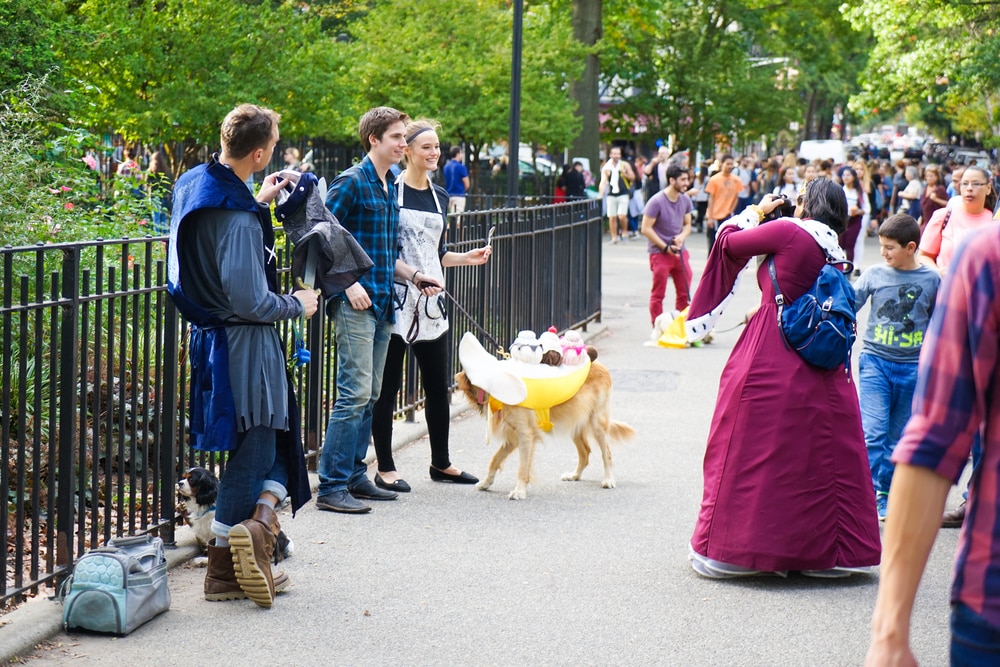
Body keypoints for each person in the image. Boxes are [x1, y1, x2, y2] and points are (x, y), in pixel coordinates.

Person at [685, 179, 881, 578]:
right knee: (821, 457)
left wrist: (755, 212)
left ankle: (731, 549)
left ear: (807, 204)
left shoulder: (790, 231)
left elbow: (728, 243)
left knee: (748, 447)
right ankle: (829, 556)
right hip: (824, 361)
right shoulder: (832, 245)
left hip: (773, 350)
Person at [167, 103, 319, 608]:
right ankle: (225, 569)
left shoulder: (195, 182)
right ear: (258, 152)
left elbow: (210, 247)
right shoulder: (237, 219)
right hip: (243, 343)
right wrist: (298, 302)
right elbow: (250, 299)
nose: (275, 149)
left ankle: (253, 542)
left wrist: (258, 199)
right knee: (257, 447)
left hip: (216, 336)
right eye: (273, 144)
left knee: (273, 443)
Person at [864, 224, 1000, 666]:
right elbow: (935, 441)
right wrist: (888, 633)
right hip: (992, 603)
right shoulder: (988, 259)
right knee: (878, 433)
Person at [370, 118, 492, 492]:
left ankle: (442, 463)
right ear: (407, 150)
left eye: (437, 146)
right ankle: (385, 467)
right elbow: (384, 251)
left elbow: (435, 254)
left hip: (433, 304)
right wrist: (414, 276)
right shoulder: (391, 191)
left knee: (438, 387)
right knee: (387, 387)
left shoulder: (440, 196)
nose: (434, 152)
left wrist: (465, 257)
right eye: (427, 147)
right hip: (398, 301)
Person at [316, 106, 419, 515]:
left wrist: (414, 275)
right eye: (396, 136)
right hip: (354, 302)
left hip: (382, 301)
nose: (403, 144)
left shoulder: (389, 184)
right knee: (353, 393)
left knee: (372, 394)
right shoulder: (352, 182)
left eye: (404, 136)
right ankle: (331, 486)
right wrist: (348, 284)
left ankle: (355, 475)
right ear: (373, 139)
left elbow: (384, 252)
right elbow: (317, 238)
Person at [918, 165, 998, 527]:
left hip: (985, 322)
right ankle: (922, 496)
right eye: (963, 183)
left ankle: (974, 500)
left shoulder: (993, 223)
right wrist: (945, 276)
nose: (967, 189)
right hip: (948, 316)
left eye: (974, 184)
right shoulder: (943, 215)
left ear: (988, 187)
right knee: (940, 406)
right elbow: (924, 255)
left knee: (984, 413)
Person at [853, 214, 940, 521]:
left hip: (913, 369)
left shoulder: (931, 280)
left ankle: (884, 494)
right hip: (875, 363)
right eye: (882, 246)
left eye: (890, 247)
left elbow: (941, 324)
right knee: (872, 434)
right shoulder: (874, 275)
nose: (884, 253)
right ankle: (861, 495)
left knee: (896, 439)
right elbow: (846, 305)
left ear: (911, 247)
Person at [641, 163, 693, 324]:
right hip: (660, 253)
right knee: (658, 294)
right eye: (683, 180)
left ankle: (681, 327)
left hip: (679, 251)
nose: (687, 183)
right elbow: (646, 228)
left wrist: (681, 237)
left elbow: (687, 225)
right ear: (672, 180)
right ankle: (658, 328)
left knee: (684, 293)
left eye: (687, 179)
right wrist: (665, 247)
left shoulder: (685, 200)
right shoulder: (656, 201)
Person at [703, 154, 741, 252]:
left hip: (727, 216)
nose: (729, 166)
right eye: (727, 164)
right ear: (722, 164)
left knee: (724, 245)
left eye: (731, 164)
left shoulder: (736, 180)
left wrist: (731, 211)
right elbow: (711, 198)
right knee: (712, 245)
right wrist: (710, 217)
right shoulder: (714, 179)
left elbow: (736, 197)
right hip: (714, 216)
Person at [599, 146, 636, 244]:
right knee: (612, 217)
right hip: (611, 194)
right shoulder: (606, 167)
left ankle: (624, 232)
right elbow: (603, 181)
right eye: (614, 153)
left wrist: (625, 174)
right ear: (610, 155)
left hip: (623, 193)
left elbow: (633, 177)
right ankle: (614, 237)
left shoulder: (624, 165)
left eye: (618, 154)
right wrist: (600, 194)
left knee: (622, 215)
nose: (616, 156)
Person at [838, 166, 870, 264]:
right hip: (841, 220)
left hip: (854, 220)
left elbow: (867, 209)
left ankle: (849, 267)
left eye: (848, 175)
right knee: (840, 244)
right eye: (844, 175)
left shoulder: (859, 192)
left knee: (850, 245)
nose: (845, 177)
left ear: (853, 177)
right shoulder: (840, 190)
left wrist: (858, 211)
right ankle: (840, 266)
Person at [146, 150, 172, 236]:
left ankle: (156, 237)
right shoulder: (167, 170)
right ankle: (165, 235)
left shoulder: (150, 171)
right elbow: (170, 183)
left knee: (156, 217)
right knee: (163, 217)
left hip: (154, 196)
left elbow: (146, 183)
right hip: (164, 196)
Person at [443, 146, 470, 214]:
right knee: (457, 220)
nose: (461, 155)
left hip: (448, 195)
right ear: (457, 154)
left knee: (450, 217)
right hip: (459, 195)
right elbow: (467, 184)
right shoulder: (461, 167)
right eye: (461, 153)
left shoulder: (446, 167)